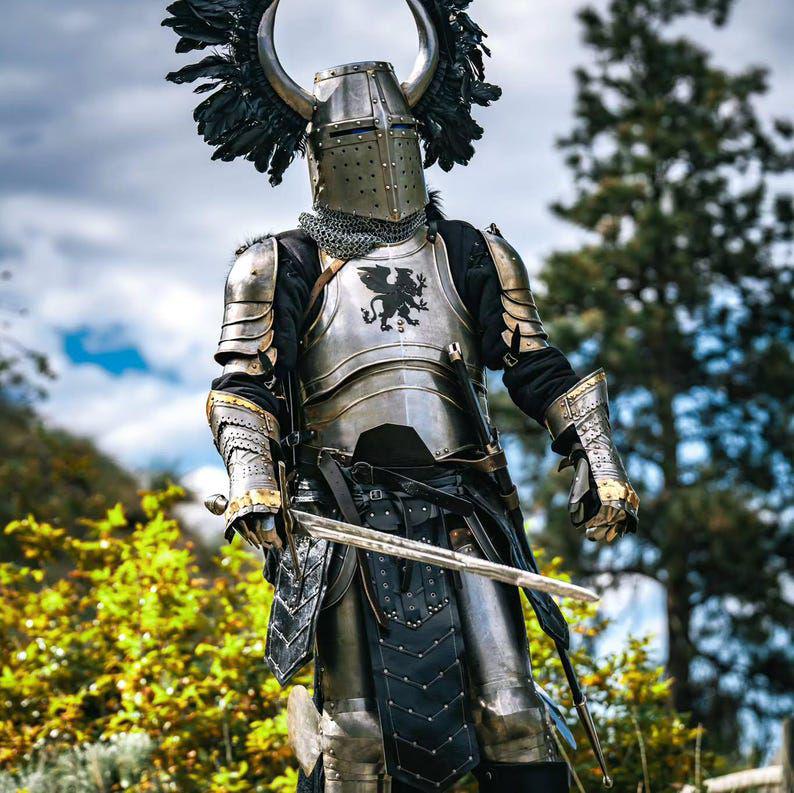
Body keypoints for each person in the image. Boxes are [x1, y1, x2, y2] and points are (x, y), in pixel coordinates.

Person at [165, 1, 638, 790]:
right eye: (359, 146)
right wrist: (254, 481)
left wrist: (601, 461)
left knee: (514, 711)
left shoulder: (470, 252)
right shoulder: (274, 262)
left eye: (393, 143)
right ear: (322, 154)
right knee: (351, 737)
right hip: (337, 507)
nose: (380, 159)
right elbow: (245, 385)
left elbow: (537, 368)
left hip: (464, 502)